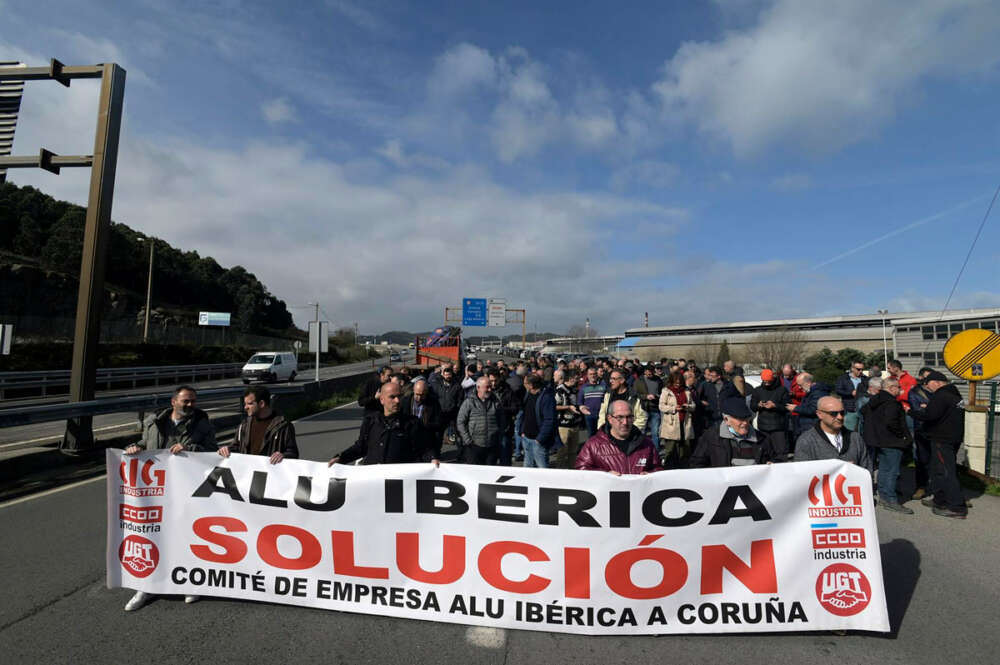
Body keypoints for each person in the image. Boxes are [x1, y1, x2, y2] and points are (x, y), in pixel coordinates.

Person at [123, 385, 216, 611]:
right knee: (152, 537)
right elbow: (146, 445)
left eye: (194, 401)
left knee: (183, 536)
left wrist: (190, 447)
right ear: (173, 401)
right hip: (155, 492)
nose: (191, 405)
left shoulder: (202, 424)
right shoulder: (154, 422)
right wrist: (134, 448)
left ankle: (187, 583)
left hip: (184, 489)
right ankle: (145, 586)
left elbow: (211, 451)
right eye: (186, 401)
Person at [330, 381, 438, 466]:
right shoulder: (370, 421)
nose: (397, 401)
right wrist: (341, 458)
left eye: (399, 396)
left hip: (400, 482)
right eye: (392, 397)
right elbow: (361, 447)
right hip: (373, 480)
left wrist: (432, 458)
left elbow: (425, 449)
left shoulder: (413, 423)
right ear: (382, 400)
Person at [909, 370, 967, 519]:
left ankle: (956, 507)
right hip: (952, 437)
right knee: (938, 471)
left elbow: (930, 416)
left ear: (936, 382)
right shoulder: (955, 394)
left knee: (946, 472)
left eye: (928, 386)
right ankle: (940, 500)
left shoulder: (941, 395)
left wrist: (912, 412)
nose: (928, 389)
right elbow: (943, 414)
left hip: (942, 439)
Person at [859, 378, 913, 513]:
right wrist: (902, 435)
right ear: (891, 387)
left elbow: (863, 411)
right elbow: (891, 422)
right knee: (891, 471)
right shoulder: (892, 403)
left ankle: (884, 495)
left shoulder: (874, 400)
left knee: (884, 469)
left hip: (877, 440)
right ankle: (890, 498)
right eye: (898, 387)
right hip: (892, 441)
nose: (900, 390)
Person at [575, 400, 662, 475]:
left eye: (629, 417)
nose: (625, 422)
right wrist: (603, 475)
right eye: (620, 417)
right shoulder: (593, 445)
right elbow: (581, 471)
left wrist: (650, 475)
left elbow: (658, 469)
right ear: (610, 419)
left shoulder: (647, 444)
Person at [218, 386, 298, 463]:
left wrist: (283, 455)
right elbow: (236, 447)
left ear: (261, 404)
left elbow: (293, 453)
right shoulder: (244, 425)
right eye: (245, 404)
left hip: (270, 475)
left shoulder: (283, 426)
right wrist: (227, 449)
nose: (245, 407)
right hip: (247, 474)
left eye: (249, 404)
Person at [689, 397, 774, 467]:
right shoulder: (711, 437)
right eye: (740, 419)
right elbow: (696, 464)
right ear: (726, 420)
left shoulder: (762, 438)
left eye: (747, 418)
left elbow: (775, 459)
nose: (745, 423)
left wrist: (771, 465)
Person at [793, 396, 869, 468]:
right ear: (819, 414)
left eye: (842, 413)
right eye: (833, 414)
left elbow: (866, 468)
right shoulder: (806, 441)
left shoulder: (855, 438)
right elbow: (802, 474)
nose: (839, 417)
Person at [456, 376, 506, 465]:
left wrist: (499, 437)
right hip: (474, 446)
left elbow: (502, 420)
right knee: (475, 474)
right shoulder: (469, 402)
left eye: (490, 387)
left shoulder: (496, 402)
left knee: (489, 474)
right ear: (478, 387)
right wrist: (467, 440)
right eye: (487, 387)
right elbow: (460, 422)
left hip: (492, 445)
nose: (490, 389)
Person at [517, 374, 560, 468]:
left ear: (531, 385)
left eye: (525, 383)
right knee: (528, 466)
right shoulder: (527, 394)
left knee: (542, 469)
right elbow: (524, 414)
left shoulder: (547, 398)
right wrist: (522, 431)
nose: (523, 385)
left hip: (538, 441)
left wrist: (539, 439)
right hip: (526, 438)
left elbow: (549, 420)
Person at [750, 369, 791, 458]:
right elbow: (752, 407)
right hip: (763, 427)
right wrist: (759, 405)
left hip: (778, 427)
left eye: (769, 381)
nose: (767, 383)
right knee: (765, 453)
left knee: (781, 453)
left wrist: (775, 406)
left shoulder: (782, 390)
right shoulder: (757, 390)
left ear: (773, 379)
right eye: (764, 381)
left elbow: (788, 407)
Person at [907, 367, 935, 500]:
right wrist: (932, 407)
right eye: (927, 377)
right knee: (921, 460)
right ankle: (921, 487)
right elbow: (917, 410)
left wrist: (927, 406)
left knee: (938, 461)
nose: (930, 380)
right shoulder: (915, 392)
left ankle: (939, 488)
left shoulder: (938, 391)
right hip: (922, 430)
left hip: (937, 430)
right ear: (921, 378)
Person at [658, 370, 695, 467]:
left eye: (679, 383)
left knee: (684, 450)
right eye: (676, 383)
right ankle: (668, 467)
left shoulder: (686, 391)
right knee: (670, 449)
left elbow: (693, 406)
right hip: (671, 425)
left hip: (685, 424)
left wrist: (688, 406)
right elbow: (661, 406)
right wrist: (673, 408)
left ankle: (682, 467)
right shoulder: (666, 391)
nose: (678, 385)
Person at [400, 378, 442, 459]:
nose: (419, 398)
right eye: (417, 394)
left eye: (422, 395)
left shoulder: (434, 403)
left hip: (426, 441)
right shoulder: (405, 401)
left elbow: (439, 423)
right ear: (413, 390)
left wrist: (425, 424)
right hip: (409, 440)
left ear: (426, 392)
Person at [554, 370, 588, 468]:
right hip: (563, 425)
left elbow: (577, 403)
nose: (578, 381)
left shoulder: (575, 389)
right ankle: (559, 471)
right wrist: (568, 407)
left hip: (575, 424)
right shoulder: (560, 389)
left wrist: (581, 407)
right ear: (571, 379)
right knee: (562, 451)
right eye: (576, 379)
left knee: (573, 451)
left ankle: (571, 469)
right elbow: (555, 406)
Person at [489, 369, 520, 465]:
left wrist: (501, 409)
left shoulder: (508, 390)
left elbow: (515, 408)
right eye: (491, 381)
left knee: (505, 456)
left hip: (504, 428)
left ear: (499, 379)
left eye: (495, 381)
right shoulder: (486, 390)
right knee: (490, 458)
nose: (493, 383)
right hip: (490, 428)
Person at [431, 364, 464, 451]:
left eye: (449, 375)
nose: (448, 376)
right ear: (443, 374)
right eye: (446, 374)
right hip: (440, 414)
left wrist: (456, 409)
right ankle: (437, 453)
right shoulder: (437, 384)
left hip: (453, 415)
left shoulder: (457, 386)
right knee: (438, 435)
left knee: (458, 435)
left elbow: (460, 400)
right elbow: (434, 398)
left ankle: (461, 453)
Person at [787, 372, 829, 437]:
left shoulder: (818, 392)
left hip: (813, 427)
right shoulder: (810, 391)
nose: (799, 388)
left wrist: (796, 408)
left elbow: (813, 409)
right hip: (807, 426)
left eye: (800, 385)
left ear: (808, 383)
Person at [835, 360, 869, 432]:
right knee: (848, 431)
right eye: (858, 369)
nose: (861, 371)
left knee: (863, 432)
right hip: (849, 409)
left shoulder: (865, 378)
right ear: (852, 368)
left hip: (863, 409)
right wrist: (850, 393)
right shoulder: (843, 378)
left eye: (862, 369)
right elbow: (838, 390)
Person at [634, 364, 663, 442]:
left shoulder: (658, 380)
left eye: (652, 372)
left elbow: (662, 393)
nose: (650, 373)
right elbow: (635, 394)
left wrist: (656, 396)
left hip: (655, 408)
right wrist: (646, 397)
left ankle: (655, 452)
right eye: (648, 372)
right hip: (642, 408)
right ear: (645, 371)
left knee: (655, 433)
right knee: (641, 432)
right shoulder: (638, 381)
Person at [577, 367, 607, 436]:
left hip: (601, 416)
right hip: (589, 415)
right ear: (587, 376)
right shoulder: (583, 387)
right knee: (591, 436)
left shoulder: (603, 386)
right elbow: (579, 402)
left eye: (594, 374)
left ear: (597, 375)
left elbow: (607, 400)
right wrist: (583, 409)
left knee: (602, 435)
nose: (592, 376)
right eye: (590, 374)